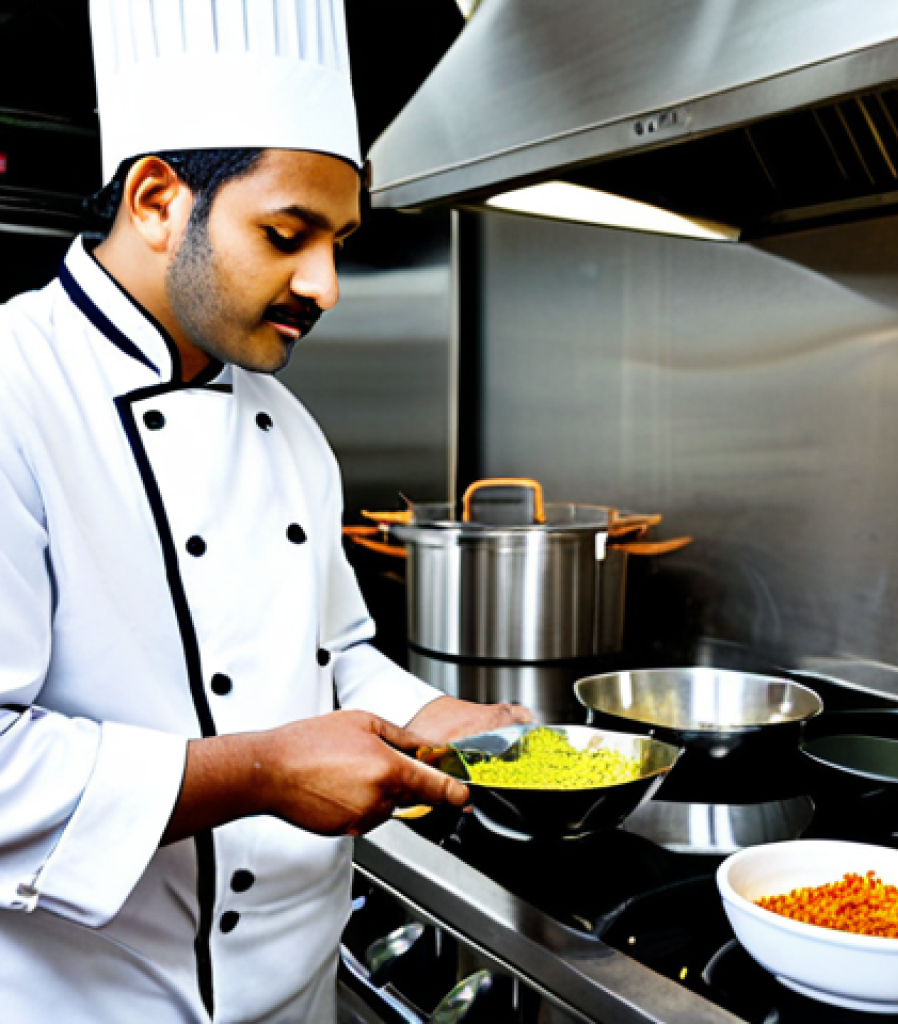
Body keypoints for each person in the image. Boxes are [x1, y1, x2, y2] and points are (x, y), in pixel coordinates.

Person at [0, 2, 528, 1021]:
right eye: (288, 234)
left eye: (339, 240)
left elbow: (328, 651)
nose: (326, 283)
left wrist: (432, 719)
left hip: (300, 991)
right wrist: (258, 773)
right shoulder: (14, 392)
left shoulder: (285, 423)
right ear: (157, 199)